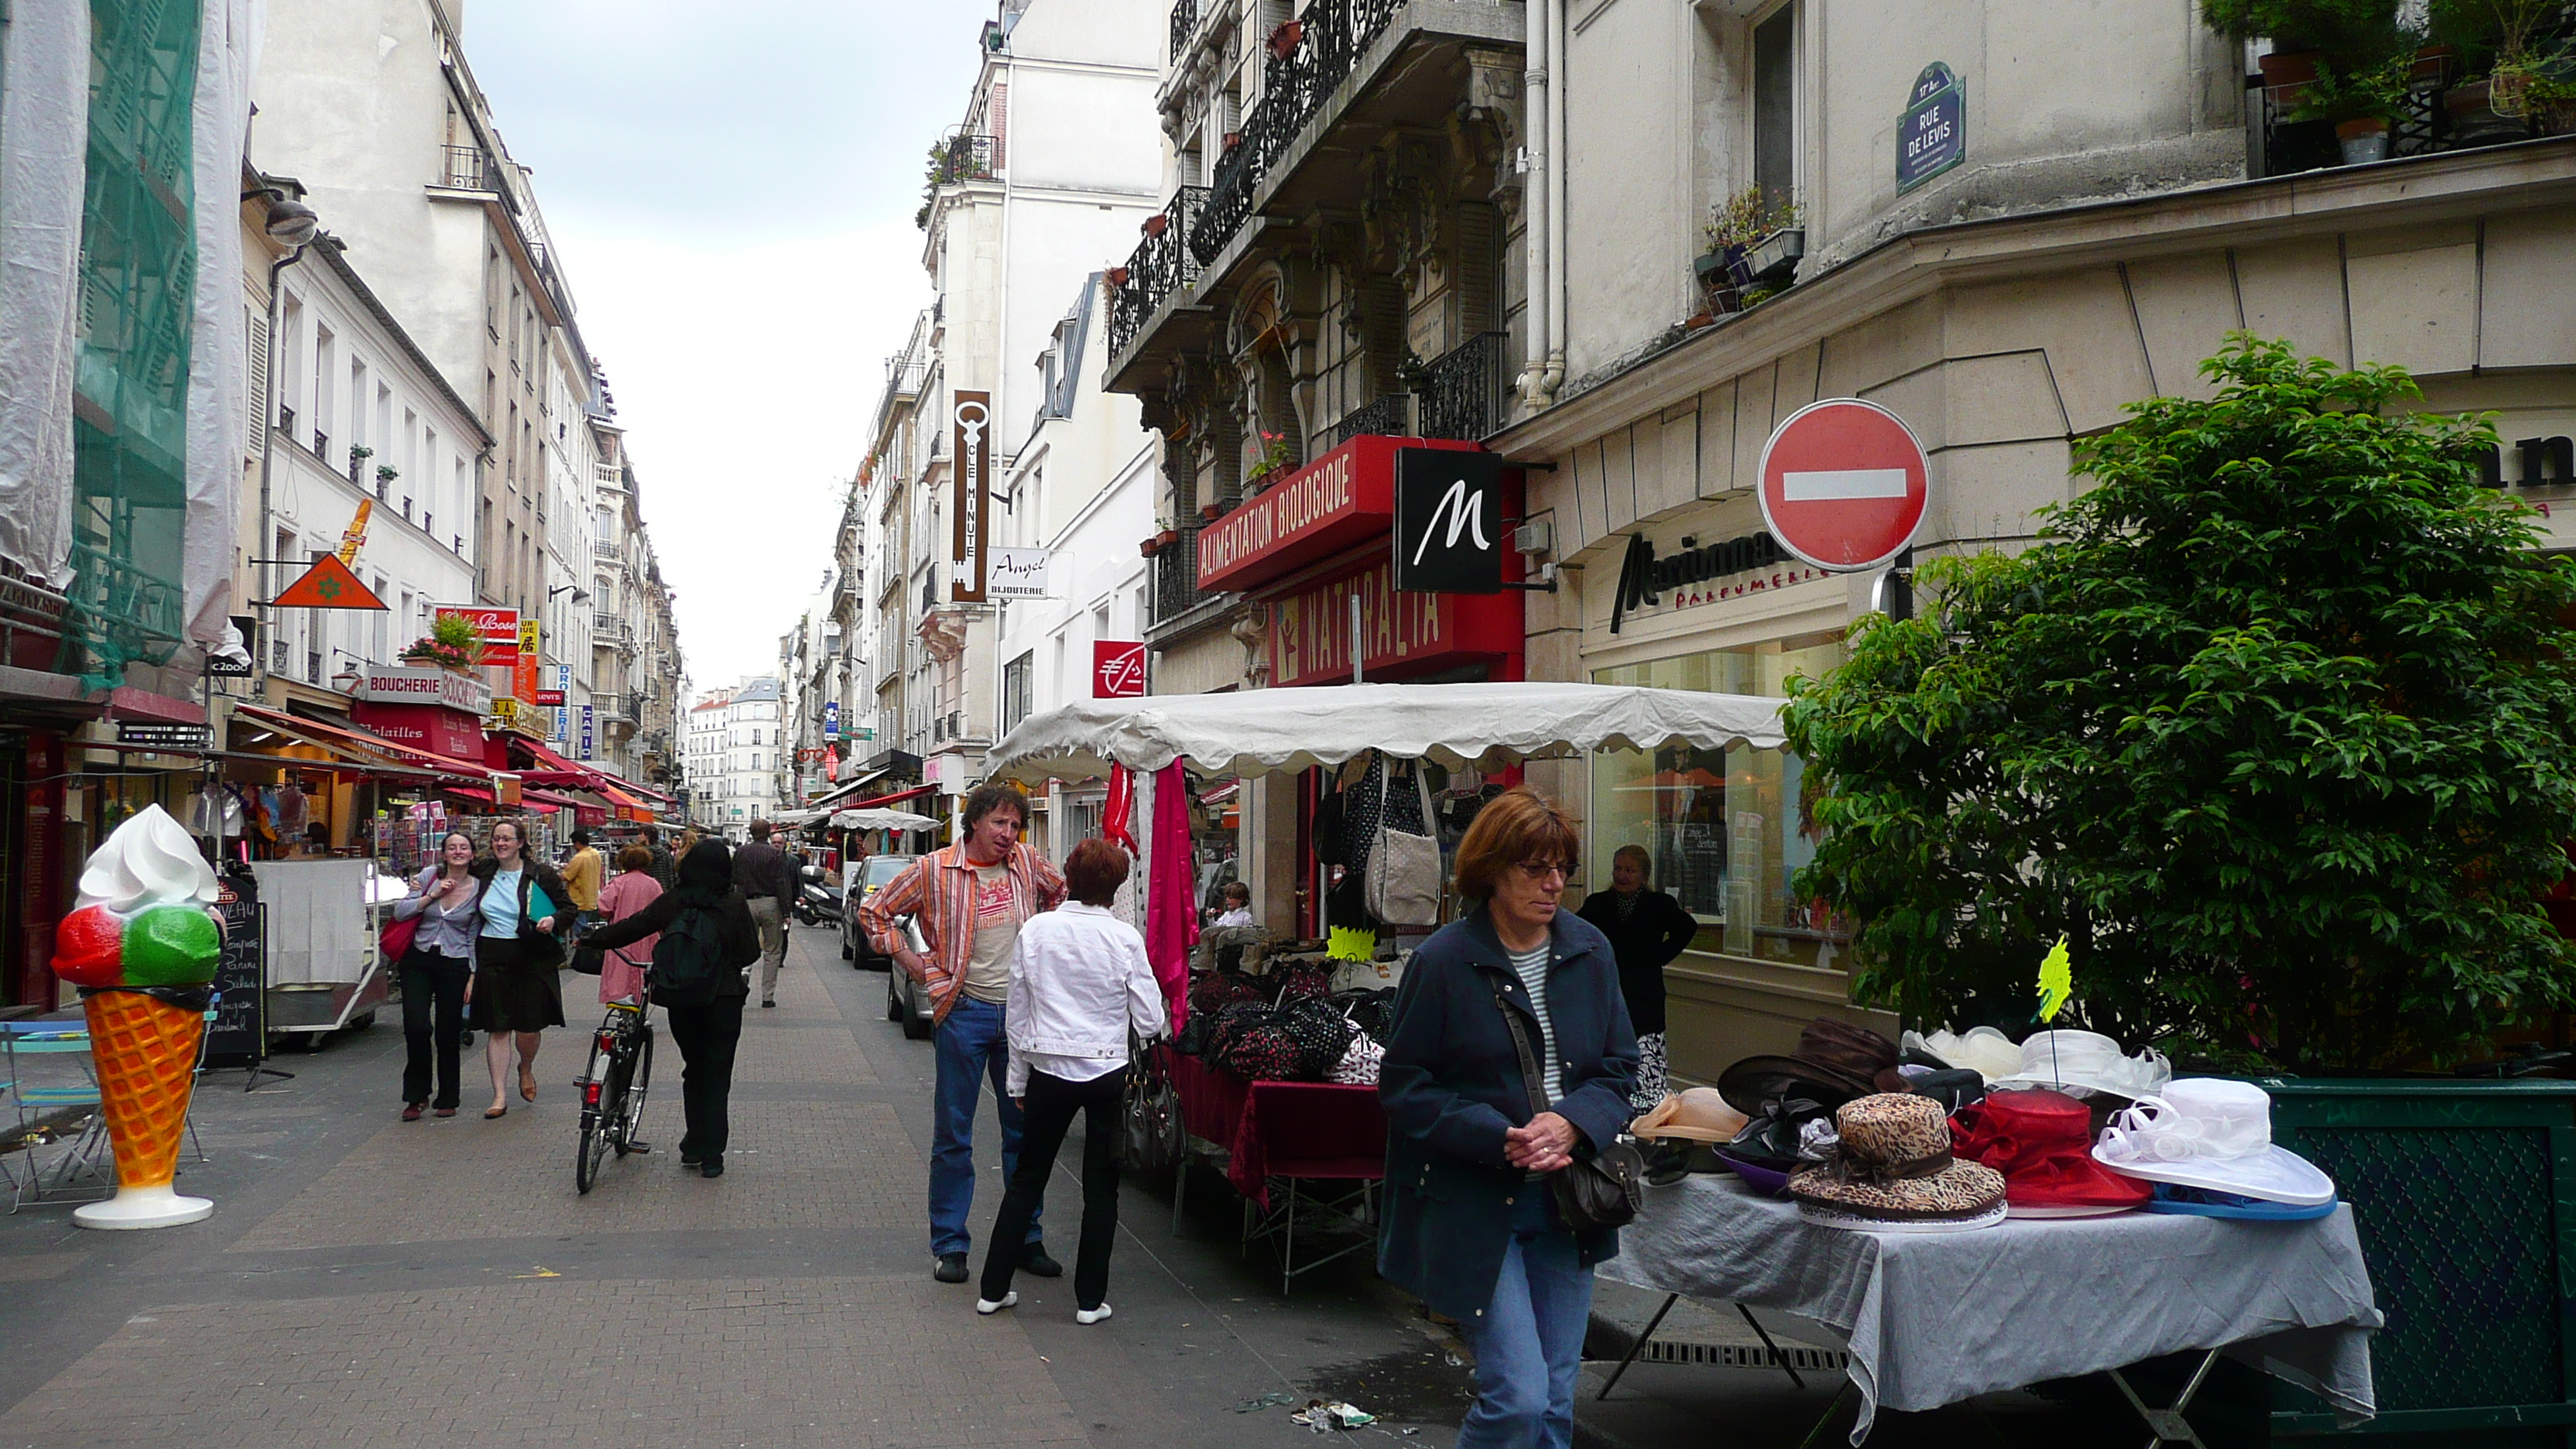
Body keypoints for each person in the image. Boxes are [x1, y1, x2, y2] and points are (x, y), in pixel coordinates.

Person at [1378, 788, 1638, 1449]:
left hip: (1568, 1202)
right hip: (1476, 1203)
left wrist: (1574, 1124)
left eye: (1561, 869)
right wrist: (1498, 1135)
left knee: (1554, 1401)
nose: (1554, 885)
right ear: (1492, 869)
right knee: (1517, 1399)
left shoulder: (1590, 950)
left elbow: (1618, 1069)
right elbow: (1405, 1087)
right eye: (1535, 869)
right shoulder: (1443, 961)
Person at [860, 780, 1069, 1285]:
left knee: (1024, 1132)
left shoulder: (1025, 862)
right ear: (974, 821)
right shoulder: (934, 870)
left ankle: (1027, 1236)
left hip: (1021, 1017)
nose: (1009, 833)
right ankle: (950, 1244)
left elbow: (1061, 894)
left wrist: (1045, 940)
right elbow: (875, 911)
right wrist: (915, 965)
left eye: (1015, 824)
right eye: (999, 823)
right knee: (954, 1133)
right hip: (964, 1010)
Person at [976, 839, 1167, 1323]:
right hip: (1106, 1069)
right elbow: (1149, 1021)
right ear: (1118, 884)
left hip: (1049, 1069)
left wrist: (1016, 1080)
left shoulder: (1037, 930)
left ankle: (993, 1289)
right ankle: (1088, 1301)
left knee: (1027, 1179)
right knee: (1101, 1189)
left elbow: (1017, 1014)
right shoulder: (1125, 938)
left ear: (1070, 877)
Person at [581, 838, 760, 1177]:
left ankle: (693, 1144)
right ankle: (712, 1156)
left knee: (693, 1069)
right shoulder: (734, 903)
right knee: (717, 1076)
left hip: (683, 998)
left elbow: (636, 926)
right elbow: (750, 953)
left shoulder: (676, 899)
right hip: (723, 1000)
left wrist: (593, 939)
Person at [1574, 845, 1697, 1117]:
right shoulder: (1598, 903)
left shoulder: (1659, 905)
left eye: (1629, 870)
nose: (1622, 875)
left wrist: (1659, 957)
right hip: (1607, 994)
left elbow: (1687, 928)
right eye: (1618, 868)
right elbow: (1574, 934)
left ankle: (1647, 1122)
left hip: (1645, 996)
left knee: (1646, 1058)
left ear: (1644, 875)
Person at [466, 819, 574, 1119]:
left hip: (531, 954)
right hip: (492, 953)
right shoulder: (485, 871)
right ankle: (499, 1095)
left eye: (507, 839)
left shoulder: (541, 874)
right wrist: (425, 882)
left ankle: (525, 1067)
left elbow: (568, 908)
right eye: (497, 839)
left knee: (529, 1027)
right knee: (498, 1027)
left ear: (521, 843)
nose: (501, 844)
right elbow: (455, 874)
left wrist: (553, 921)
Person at [392, 831, 480, 1120]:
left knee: (448, 1031)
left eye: (463, 847)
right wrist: (432, 895)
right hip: (418, 958)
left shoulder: (479, 888)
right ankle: (416, 1096)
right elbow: (401, 912)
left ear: (472, 855)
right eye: (452, 847)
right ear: (443, 854)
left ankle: (448, 1097)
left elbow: (472, 934)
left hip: (455, 962)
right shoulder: (429, 876)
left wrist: (472, 975)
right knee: (417, 1026)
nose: (457, 851)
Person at [732, 820, 797, 1008]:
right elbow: (781, 883)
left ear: (751, 833)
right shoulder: (775, 854)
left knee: (745, 944)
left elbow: (732, 878)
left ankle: (745, 972)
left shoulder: (741, 852)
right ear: (768, 833)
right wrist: (786, 912)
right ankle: (767, 996)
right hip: (770, 903)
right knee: (772, 950)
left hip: (745, 903)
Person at [593, 844, 664, 1007]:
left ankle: (623, 1002)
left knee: (620, 972)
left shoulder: (618, 883)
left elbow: (605, 907)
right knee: (643, 971)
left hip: (621, 935)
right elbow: (662, 911)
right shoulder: (653, 884)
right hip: (646, 937)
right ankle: (641, 1005)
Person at [560, 827, 605, 941]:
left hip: (578, 898)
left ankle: (581, 951)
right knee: (585, 926)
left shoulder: (579, 858)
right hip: (591, 897)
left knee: (580, 930)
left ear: (578, 843)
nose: (574, 847)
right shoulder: (595, 854)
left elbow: (566, 876)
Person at [640, 825, 678, 889]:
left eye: (641, 834)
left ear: (647, 836)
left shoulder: (642, 854)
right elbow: (670, 874)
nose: (639, 836)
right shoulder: (664, 852)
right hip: (663, 889)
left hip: (646, 889)